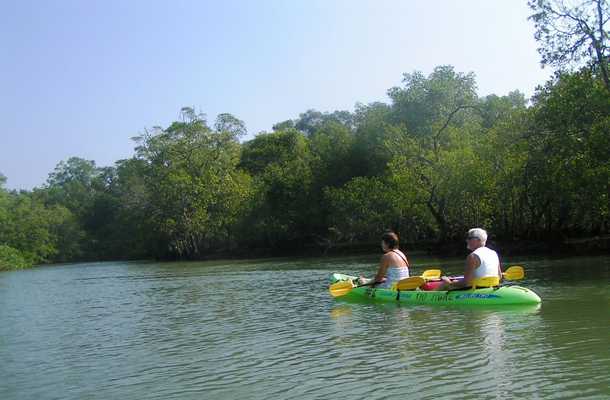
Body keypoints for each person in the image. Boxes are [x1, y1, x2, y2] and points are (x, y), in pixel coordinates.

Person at [436, 228, 502, 290]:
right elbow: (499, 276)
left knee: (445, 286)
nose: (467, 240)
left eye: (469, 238)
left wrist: (449, 282)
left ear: (478, 240)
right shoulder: (494, 253)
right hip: (491, 287)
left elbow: (466, 283)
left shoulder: (473, 256)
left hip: (476, 290)